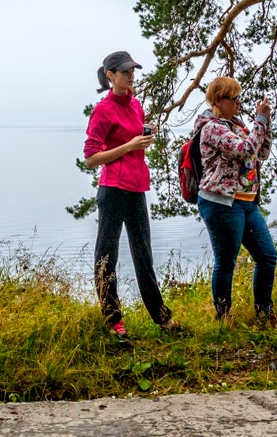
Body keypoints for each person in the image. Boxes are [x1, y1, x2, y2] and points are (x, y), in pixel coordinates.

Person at [83, 51, 180, 344]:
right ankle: (114, 321)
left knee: (143, 256)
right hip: (113, 189)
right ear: (111, 76)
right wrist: (128, 146)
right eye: (125, 72)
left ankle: (161, 317)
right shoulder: (103, 110)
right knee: (106, 256)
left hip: (137, 187)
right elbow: (90, 157)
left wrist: (143, 141)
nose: (131, 75)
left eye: (133, 71)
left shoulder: (136, 105)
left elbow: (135, 145)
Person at [194, 77, 277, 321]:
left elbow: (261, 152)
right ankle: (224, 318)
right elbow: (244, 151)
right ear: (219, 100)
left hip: (247, 202)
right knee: (226, 262)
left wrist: (265, 122)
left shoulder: (237, 125)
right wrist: (259, 120)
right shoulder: (211, 127)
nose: (239, 103)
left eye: (240, 97)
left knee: (267, 256)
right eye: (234, 98)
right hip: (220, 203)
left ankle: (264, 313)